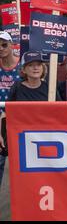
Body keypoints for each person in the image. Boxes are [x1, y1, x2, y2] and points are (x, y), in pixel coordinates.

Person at [0, 31, 20, 187]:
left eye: (4, 44)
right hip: (1, 120)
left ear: (12, 45)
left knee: (19, 165)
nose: (1, 48)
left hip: (19, 121)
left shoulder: (23, 67)